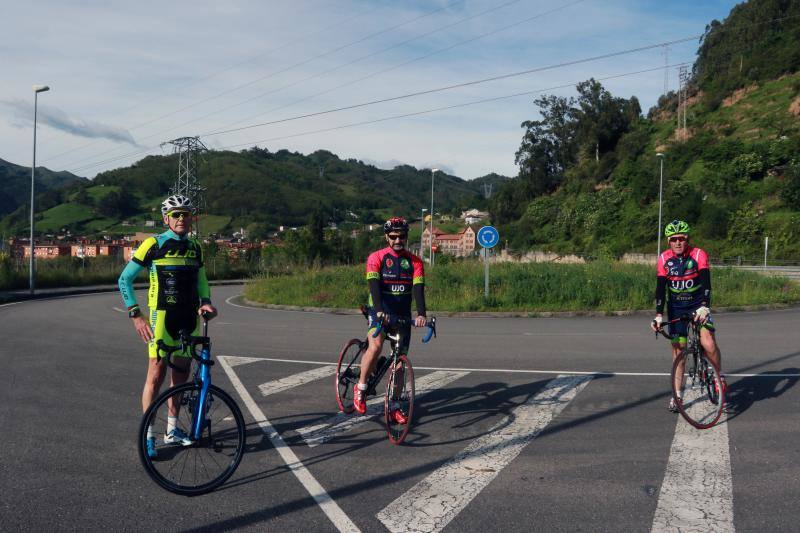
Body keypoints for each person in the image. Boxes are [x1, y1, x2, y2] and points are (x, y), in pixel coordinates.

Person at [118, 194, 217, 457]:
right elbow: (124, 280)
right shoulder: (152, 244)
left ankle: (172, 429)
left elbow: (202, 279)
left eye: (186, 214)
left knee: (181, 376)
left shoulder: (196, 247)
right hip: (161, 318)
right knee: (156, 374)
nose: (181, 218)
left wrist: (205, 301)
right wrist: (136, 315)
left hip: (189, 318)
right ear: (166, 218)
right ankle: (148, 434)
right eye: (176, 214)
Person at [356, 217, 427, 420]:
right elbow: (374, 287)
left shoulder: (415, 262)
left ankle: (395, 405)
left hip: (402, 316)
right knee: (376, 346)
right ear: (387, 237)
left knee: (399, 364)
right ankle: (360, 389)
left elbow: (418, 290)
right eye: (394, 237)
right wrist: (378, 311)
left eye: (401, 236)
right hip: (379, 311)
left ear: (406, 237)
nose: (398, 240)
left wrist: (421, 314)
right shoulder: (376, 257)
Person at [650, 219, 724, 412]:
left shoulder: (698, 254)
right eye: (673, 239)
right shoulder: (664, 259)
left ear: (687, 239)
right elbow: (660, 290)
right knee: (678, 353)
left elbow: (707, 284)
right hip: (676, 308)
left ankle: (718, 377)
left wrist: (705, 306)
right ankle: (678, 396)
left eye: (681, 239)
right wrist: (658, 315)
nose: (677, 243)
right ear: (668, 241)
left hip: (698, 306)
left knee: (708, 343)